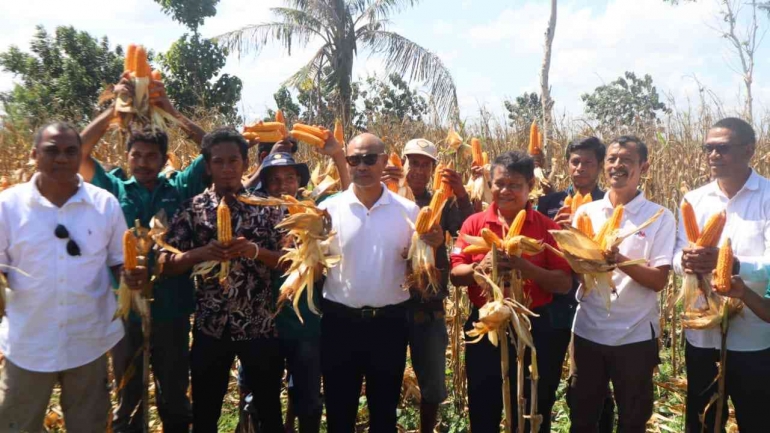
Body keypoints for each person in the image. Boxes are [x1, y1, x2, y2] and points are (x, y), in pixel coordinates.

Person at [78, 76, 206, 433]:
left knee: (174, 393)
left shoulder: (180, 186)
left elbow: (212, 149)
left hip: (171, 307)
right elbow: (80, 152)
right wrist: (113, 112)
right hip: (125, 309)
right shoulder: (112, 187)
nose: (144, 162)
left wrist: (171, 111)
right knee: (128, 392)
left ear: (165, 159)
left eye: (152, 156)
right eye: (137, 155)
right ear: (127, 156)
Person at [0, 122, 142, 431]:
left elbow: (119, 261)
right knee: (16, 425)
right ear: (34, 154)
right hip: (28, 345)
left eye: (70, 151)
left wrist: (132, 274)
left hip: (87, 343)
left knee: (88, 425)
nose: (62, 159)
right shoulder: (7, 207)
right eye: (52, 151)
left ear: (81, 156)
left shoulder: (104, 204)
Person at [157, 128, 285, 432]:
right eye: (219, 162)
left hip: (259, 326)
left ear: (244, 163)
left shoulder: (267, 210)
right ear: (208, 165)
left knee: (269, 412)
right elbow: (164, 263)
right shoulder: (193, 210)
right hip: (211, 328)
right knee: (205, 413)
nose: (227, 169)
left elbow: (287, 261)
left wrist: (255, 251)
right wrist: (199, 253)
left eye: (233, 161)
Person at [450, 150, 573, 433]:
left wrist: (524, 268)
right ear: (490, 184)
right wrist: (481, 268)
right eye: (499, 183)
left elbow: (564, 283)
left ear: (530, 186)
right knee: (483, 406)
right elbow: (457, 276)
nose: (505, 191)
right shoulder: (474, 224)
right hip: (486, 325)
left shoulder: (547, 228)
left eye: (515, 185)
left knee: (534, 407)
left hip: (535, 327)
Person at [568, 136, 675, 433]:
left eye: (626, 160)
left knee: (632, 419)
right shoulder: (585, 212)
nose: (617, 165)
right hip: (588, 332)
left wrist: (619, 260)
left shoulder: (659, 217)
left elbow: (659, 280)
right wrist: (581, 261)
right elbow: (578, 274)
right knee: (582, 416)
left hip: (635, 336)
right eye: (612, 159)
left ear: (644, 166)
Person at [244, 135, 349, 433]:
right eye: (274, 179)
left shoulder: (313, 209)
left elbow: (347, 194)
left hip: (306, 324)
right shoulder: (254, 212)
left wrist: (339, 157)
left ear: (299, 181)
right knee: (265, 399)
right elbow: (233, 194)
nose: (281, 185)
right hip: (265, 324)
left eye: (288, 178)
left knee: (309, 401)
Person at [318, 133, 420, 432]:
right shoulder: (327, 209)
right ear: (346, 163)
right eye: (354, 160)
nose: (362, 166)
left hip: (389, 324)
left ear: (385, 161)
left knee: (385, 411)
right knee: (339, 409)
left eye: (369, 159)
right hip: (339, 322)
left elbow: (419, 267)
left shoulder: (408, 211)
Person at [674, 117, 770, 433]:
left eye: (723, 148)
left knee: (756, 420)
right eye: (709, 148)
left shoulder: (767, 197)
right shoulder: (693, 200)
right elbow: (676, 256)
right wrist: (686, 262)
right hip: (702, 334)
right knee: (701, 421)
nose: (713, 155)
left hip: (753, 336)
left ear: (749, 150)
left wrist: (731, 264)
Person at [381, 138, 473, 432]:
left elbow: (470, 229)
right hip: (388, 305)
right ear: (403, 164)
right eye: (413, 163)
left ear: (433, 169)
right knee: (384, 381)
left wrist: (460, 193)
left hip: (428, 305)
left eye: (425, 165)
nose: (418, 170)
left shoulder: (443, 203)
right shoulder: (385, 197)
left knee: (432, 383)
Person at [536, 137, 615, 432]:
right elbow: (537, 247)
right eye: (575, 162)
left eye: (588, 163)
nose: (580, 168)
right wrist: (556, 232)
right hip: (554, 304)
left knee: (594, 386)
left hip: (594, 304)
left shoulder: (608, 205)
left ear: (599, 167)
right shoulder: (549, 202)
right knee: (545, 378)